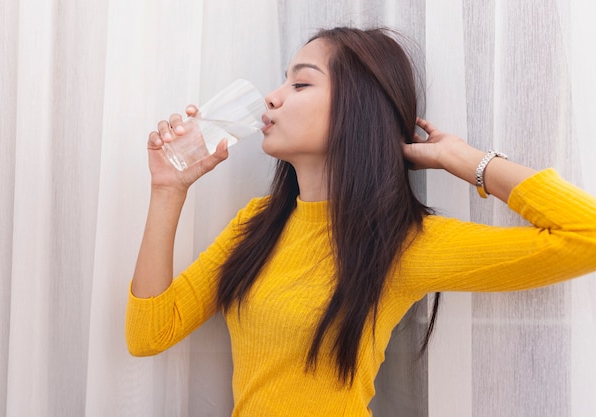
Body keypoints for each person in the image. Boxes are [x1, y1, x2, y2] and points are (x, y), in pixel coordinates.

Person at [125, 27, 596, 416]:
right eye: (282, 81)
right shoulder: (257, 225)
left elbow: (586, 236)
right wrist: (168, 189)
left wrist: (462, 158)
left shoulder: (402, 243)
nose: (272, 97)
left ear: (358, 107)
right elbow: (150, 334)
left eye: (300, 84)